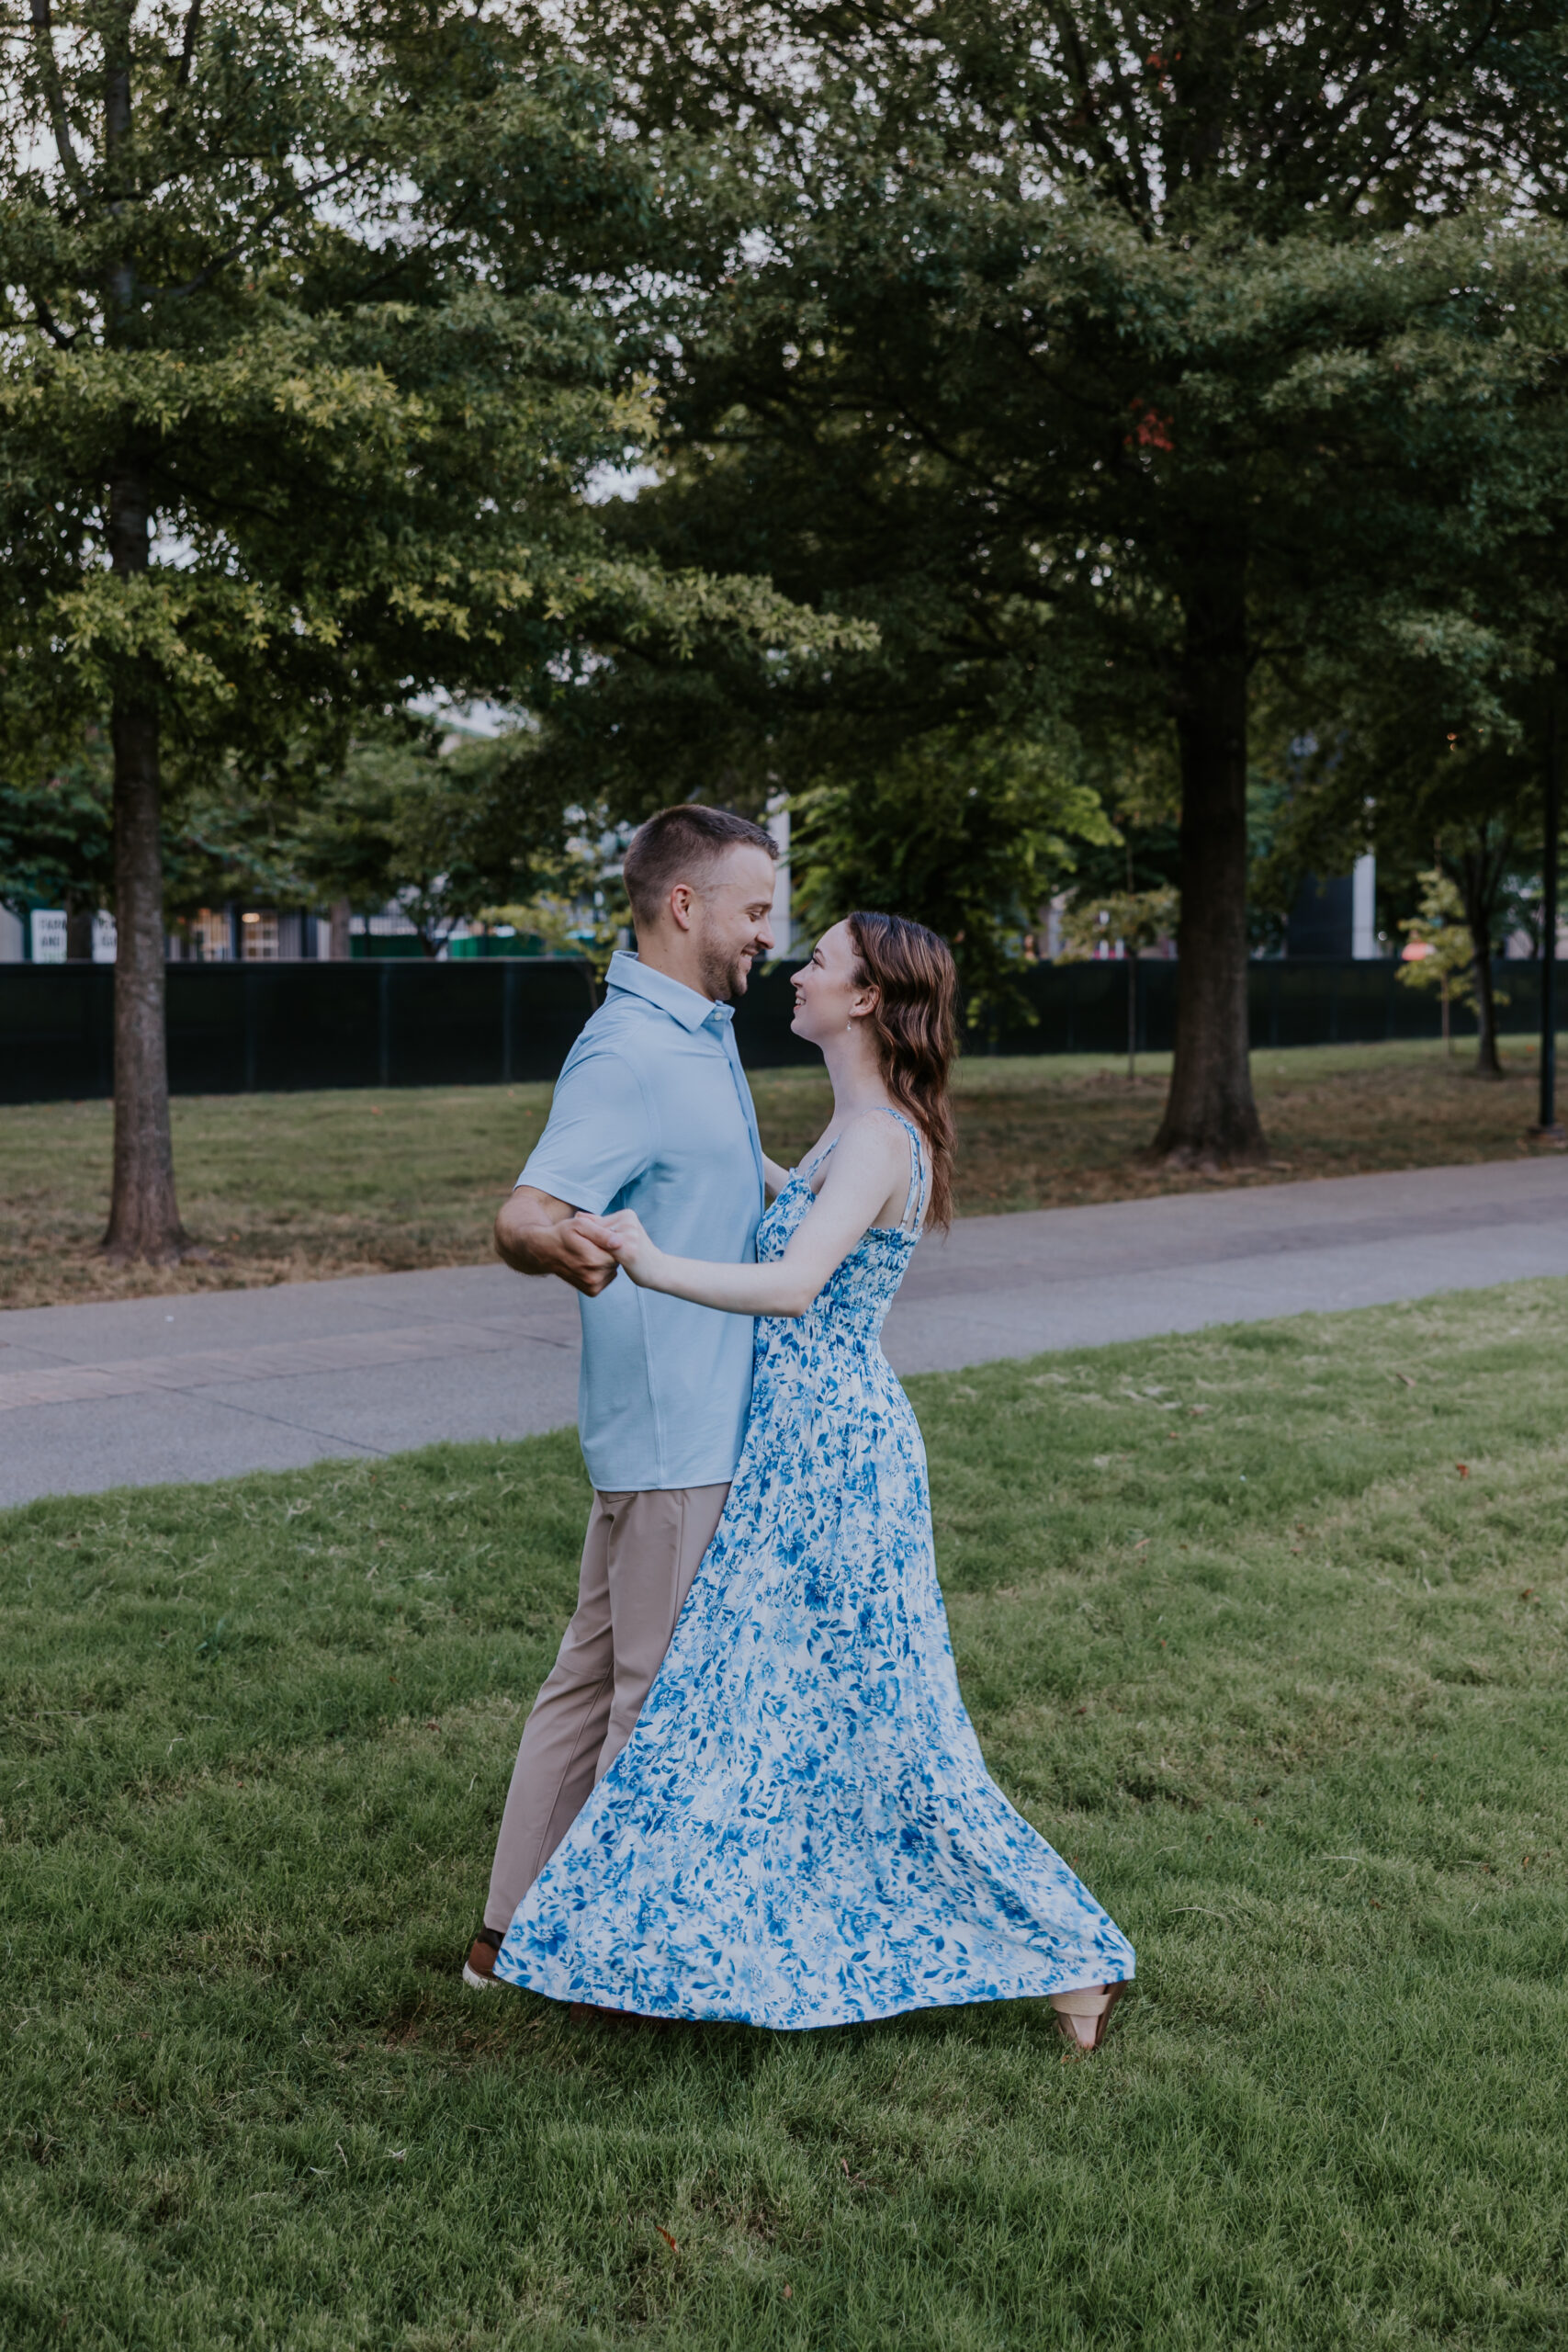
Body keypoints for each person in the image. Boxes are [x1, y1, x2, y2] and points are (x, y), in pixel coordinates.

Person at [490, 910, 1135, 2050]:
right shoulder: (850, 1133)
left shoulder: (881, 1138)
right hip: (795, 1447)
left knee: (899, 1725)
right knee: (768, 1709)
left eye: (824, 960)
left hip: (837, 1456)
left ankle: (1071, 1956)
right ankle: (662, 1939)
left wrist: (645, 1259)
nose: (799, 969)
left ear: (868, 999)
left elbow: (793, 1285)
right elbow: (781, 1204)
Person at [462, 804, 780, 1991]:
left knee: (590, 1682)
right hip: (674, 1437)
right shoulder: (627, 1051)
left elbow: (720, 1179)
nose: (766, 934)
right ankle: (622, 1960)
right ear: (684, 908)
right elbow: (523, 1211)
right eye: (753, 910)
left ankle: (505, 1943)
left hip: (678, 1432)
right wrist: (552, 1243)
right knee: (651, 1704)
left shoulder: (695, 1029)